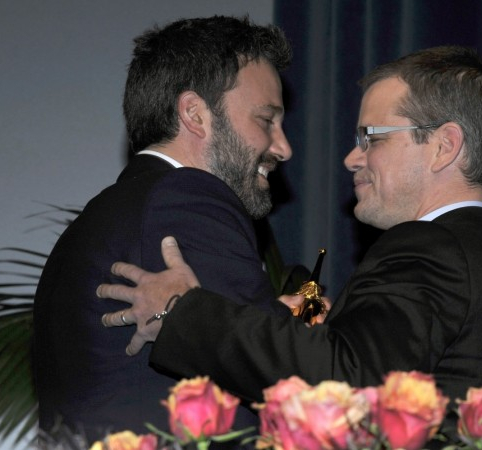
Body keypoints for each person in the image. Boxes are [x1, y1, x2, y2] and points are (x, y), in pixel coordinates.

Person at [97, 46, 482, 443]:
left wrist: (182, 311)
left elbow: (347, 387)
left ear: (443, 146)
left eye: (371, 137)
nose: (353, 158)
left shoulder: (428, 245)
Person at [32, 15, 294, 445]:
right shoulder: (188, 198)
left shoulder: (108, 213)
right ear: (194, 113)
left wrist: (278, 317)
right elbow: (280, 375)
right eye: (266, 120)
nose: (283, 147)